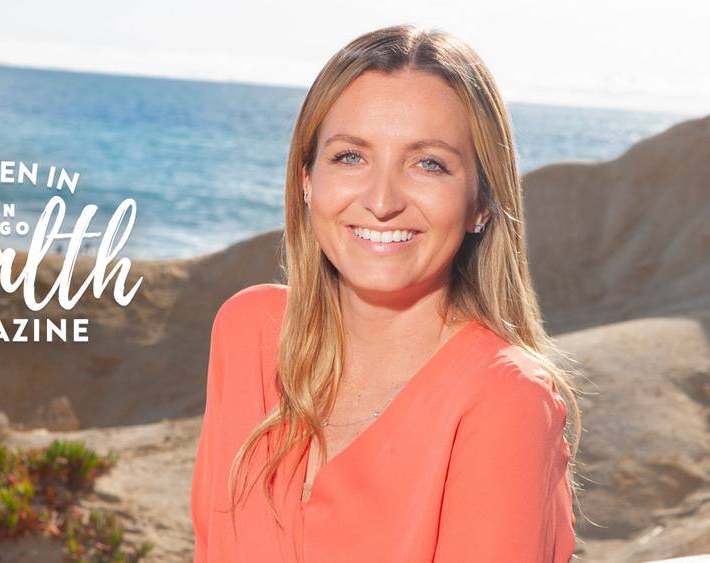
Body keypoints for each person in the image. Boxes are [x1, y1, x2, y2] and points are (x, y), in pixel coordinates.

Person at [191, 23, 583, 563]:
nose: (381, 200)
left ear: (481, 204)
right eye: (351, 156)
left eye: (429, 163)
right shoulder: (248, 333)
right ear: (307, 179)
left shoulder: (505, 400)